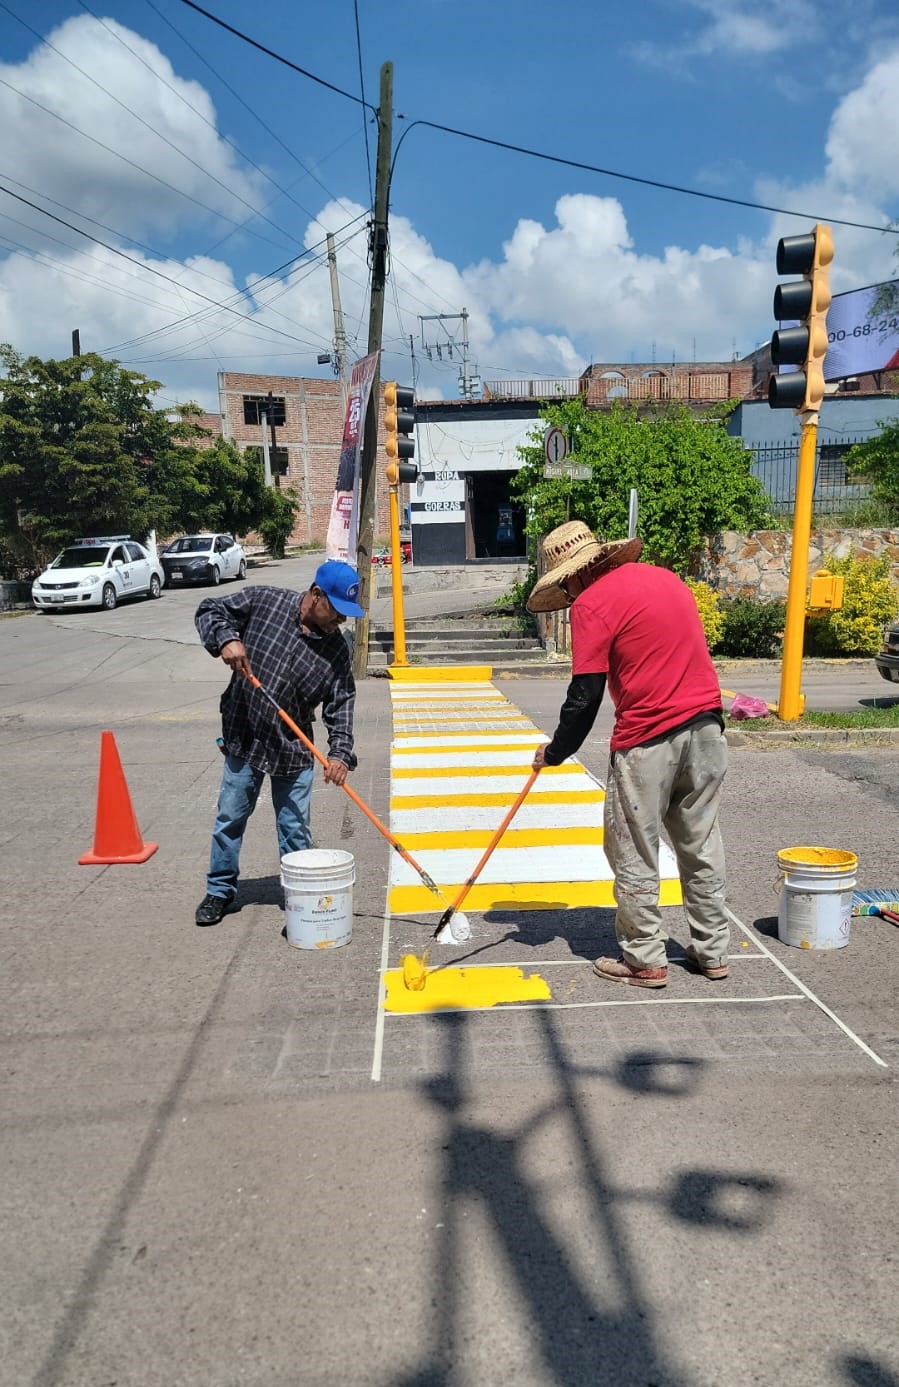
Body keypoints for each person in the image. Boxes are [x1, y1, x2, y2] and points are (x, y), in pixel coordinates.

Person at [528, 520, 730, 989]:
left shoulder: (592, 603)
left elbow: (585, 695)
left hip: (648, 738)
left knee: (634, 847)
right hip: (707, 727)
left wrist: (555, 752)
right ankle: (713, 951)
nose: (567, 591)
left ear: (574, 574)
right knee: (700, 843)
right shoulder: (664, 578)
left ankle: (645, 959)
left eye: (564, 582)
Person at [193, 559, 363, 925]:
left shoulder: (335, 649)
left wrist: (340, 754)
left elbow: (342, 702)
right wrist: (227, 638)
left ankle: (301, 896)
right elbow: (209, 609)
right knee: (230, 819)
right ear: (316, 595)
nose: (342, 621)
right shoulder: (264, 601)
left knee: (294, 828)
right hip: (246, 736)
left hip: (293, 747)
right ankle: (219, 891)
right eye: (337, 610)